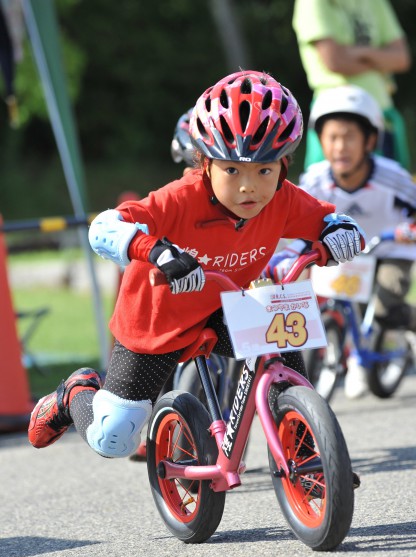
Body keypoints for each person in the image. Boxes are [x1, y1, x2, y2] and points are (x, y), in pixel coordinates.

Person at [28, 69, 364, 458]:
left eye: (265, 170)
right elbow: (104, 227)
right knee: (113, 438)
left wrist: (341, 233)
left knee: (281, 341)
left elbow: (332, 220)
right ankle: (76, 393)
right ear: (204, 161)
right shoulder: (179, 198)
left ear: (284, 164)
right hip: (156, 325)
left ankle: (310, 458)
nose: (248, 187)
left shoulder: (283, 199)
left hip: (224, 309)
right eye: (232, 169)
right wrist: (156, 251)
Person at [265, 84, 416, 400]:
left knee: (387, 301)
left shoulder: (392, 177)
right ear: (321, 142)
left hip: (388, 249)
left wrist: (407, 231)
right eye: (332, 138)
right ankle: (333, 353)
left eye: (349, 137)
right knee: (306, 291)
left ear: (370, 141)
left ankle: (401, 326)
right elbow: (296, 221)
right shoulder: (316, 179)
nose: (340, 147)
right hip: (340, 252)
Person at [292, 0, 412, 169]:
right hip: (336, 117)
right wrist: (380, 61)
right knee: (328, 191)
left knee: (391, 188)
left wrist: (360, 52)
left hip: (383, 115)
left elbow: (401, 59)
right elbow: (336, 61)